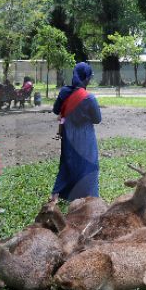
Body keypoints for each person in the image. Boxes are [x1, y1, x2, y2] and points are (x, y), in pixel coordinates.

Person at [50, 62, 101, 201]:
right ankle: (90, 198)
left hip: (68, 136)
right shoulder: (89, 98)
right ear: (86, 78)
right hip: (85, 136)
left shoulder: (64, 92)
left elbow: (56, 110)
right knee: (89, 165)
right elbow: (97, 119)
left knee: (67, 163)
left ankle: (55, 195)